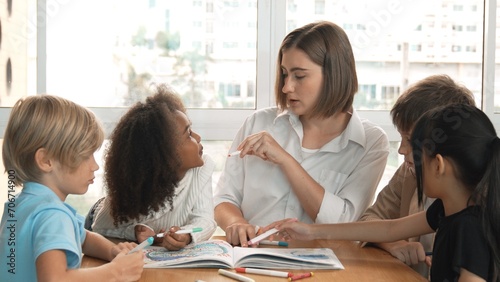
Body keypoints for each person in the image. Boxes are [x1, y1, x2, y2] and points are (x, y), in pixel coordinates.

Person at [273, 103, 500, 282]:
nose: (412, 165)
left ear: (438, 165)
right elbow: (389, 228)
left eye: (419, 157)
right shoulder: (445, 210)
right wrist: (311, 231)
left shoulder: (471, 227)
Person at [214, 21, 389, 247]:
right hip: (250, 259)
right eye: (285, 74)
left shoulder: (370, 143)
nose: (287, 87)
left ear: (334, 75)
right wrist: (236, 222)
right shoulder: (258, 123)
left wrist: (286, 160)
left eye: (299, 76)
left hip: (326, 269)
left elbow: (345, 224)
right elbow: (224, 198)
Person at [0, 95, 144, 282]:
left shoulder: (20, 206)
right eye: (86, 155)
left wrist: (112, 251)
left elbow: (84, 237)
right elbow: (54, 279)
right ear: (46, 160)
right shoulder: (52, 214)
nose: (95, 166)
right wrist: (115, 272)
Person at [358, 74, 476, 277]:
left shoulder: (480, 204)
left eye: (411, 140)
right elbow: (369, 219)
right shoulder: (409, 173)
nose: (401, 150)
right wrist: (393, 243)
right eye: (401, 138)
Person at [87, 85, 216, 251]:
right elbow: (99, 228)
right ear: (164, 153)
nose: (198, 137)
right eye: (189, 134)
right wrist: (134, 232)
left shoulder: (202, 169)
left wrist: (186, 235)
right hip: (94, 218)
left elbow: (205, 220)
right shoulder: (135, 185)